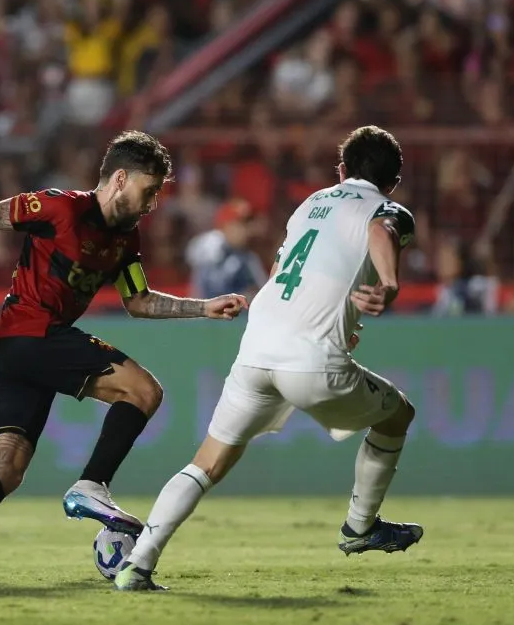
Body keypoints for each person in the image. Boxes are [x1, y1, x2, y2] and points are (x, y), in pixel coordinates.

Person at [0, 130, 247, 583]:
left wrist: (202, 308)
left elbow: (139, 301)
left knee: (7, 467)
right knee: (144, 390)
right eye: (148, 191)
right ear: (120, 179)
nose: (152, 204)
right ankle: (92, 485)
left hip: (11, 353)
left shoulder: (125, 239)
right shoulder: (61, 206)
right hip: (29, 336)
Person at [114, 125, 423, 591]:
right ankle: (361, 527)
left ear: (341, 170)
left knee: (205, 463)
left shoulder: (310, 205)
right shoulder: (387, 208)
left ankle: (137, 564)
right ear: (393, 182)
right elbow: (381, 229)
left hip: (256, 350)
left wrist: (338, 321)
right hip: (312, 363)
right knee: (399, 414)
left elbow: (282, 275)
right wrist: (390, 283)